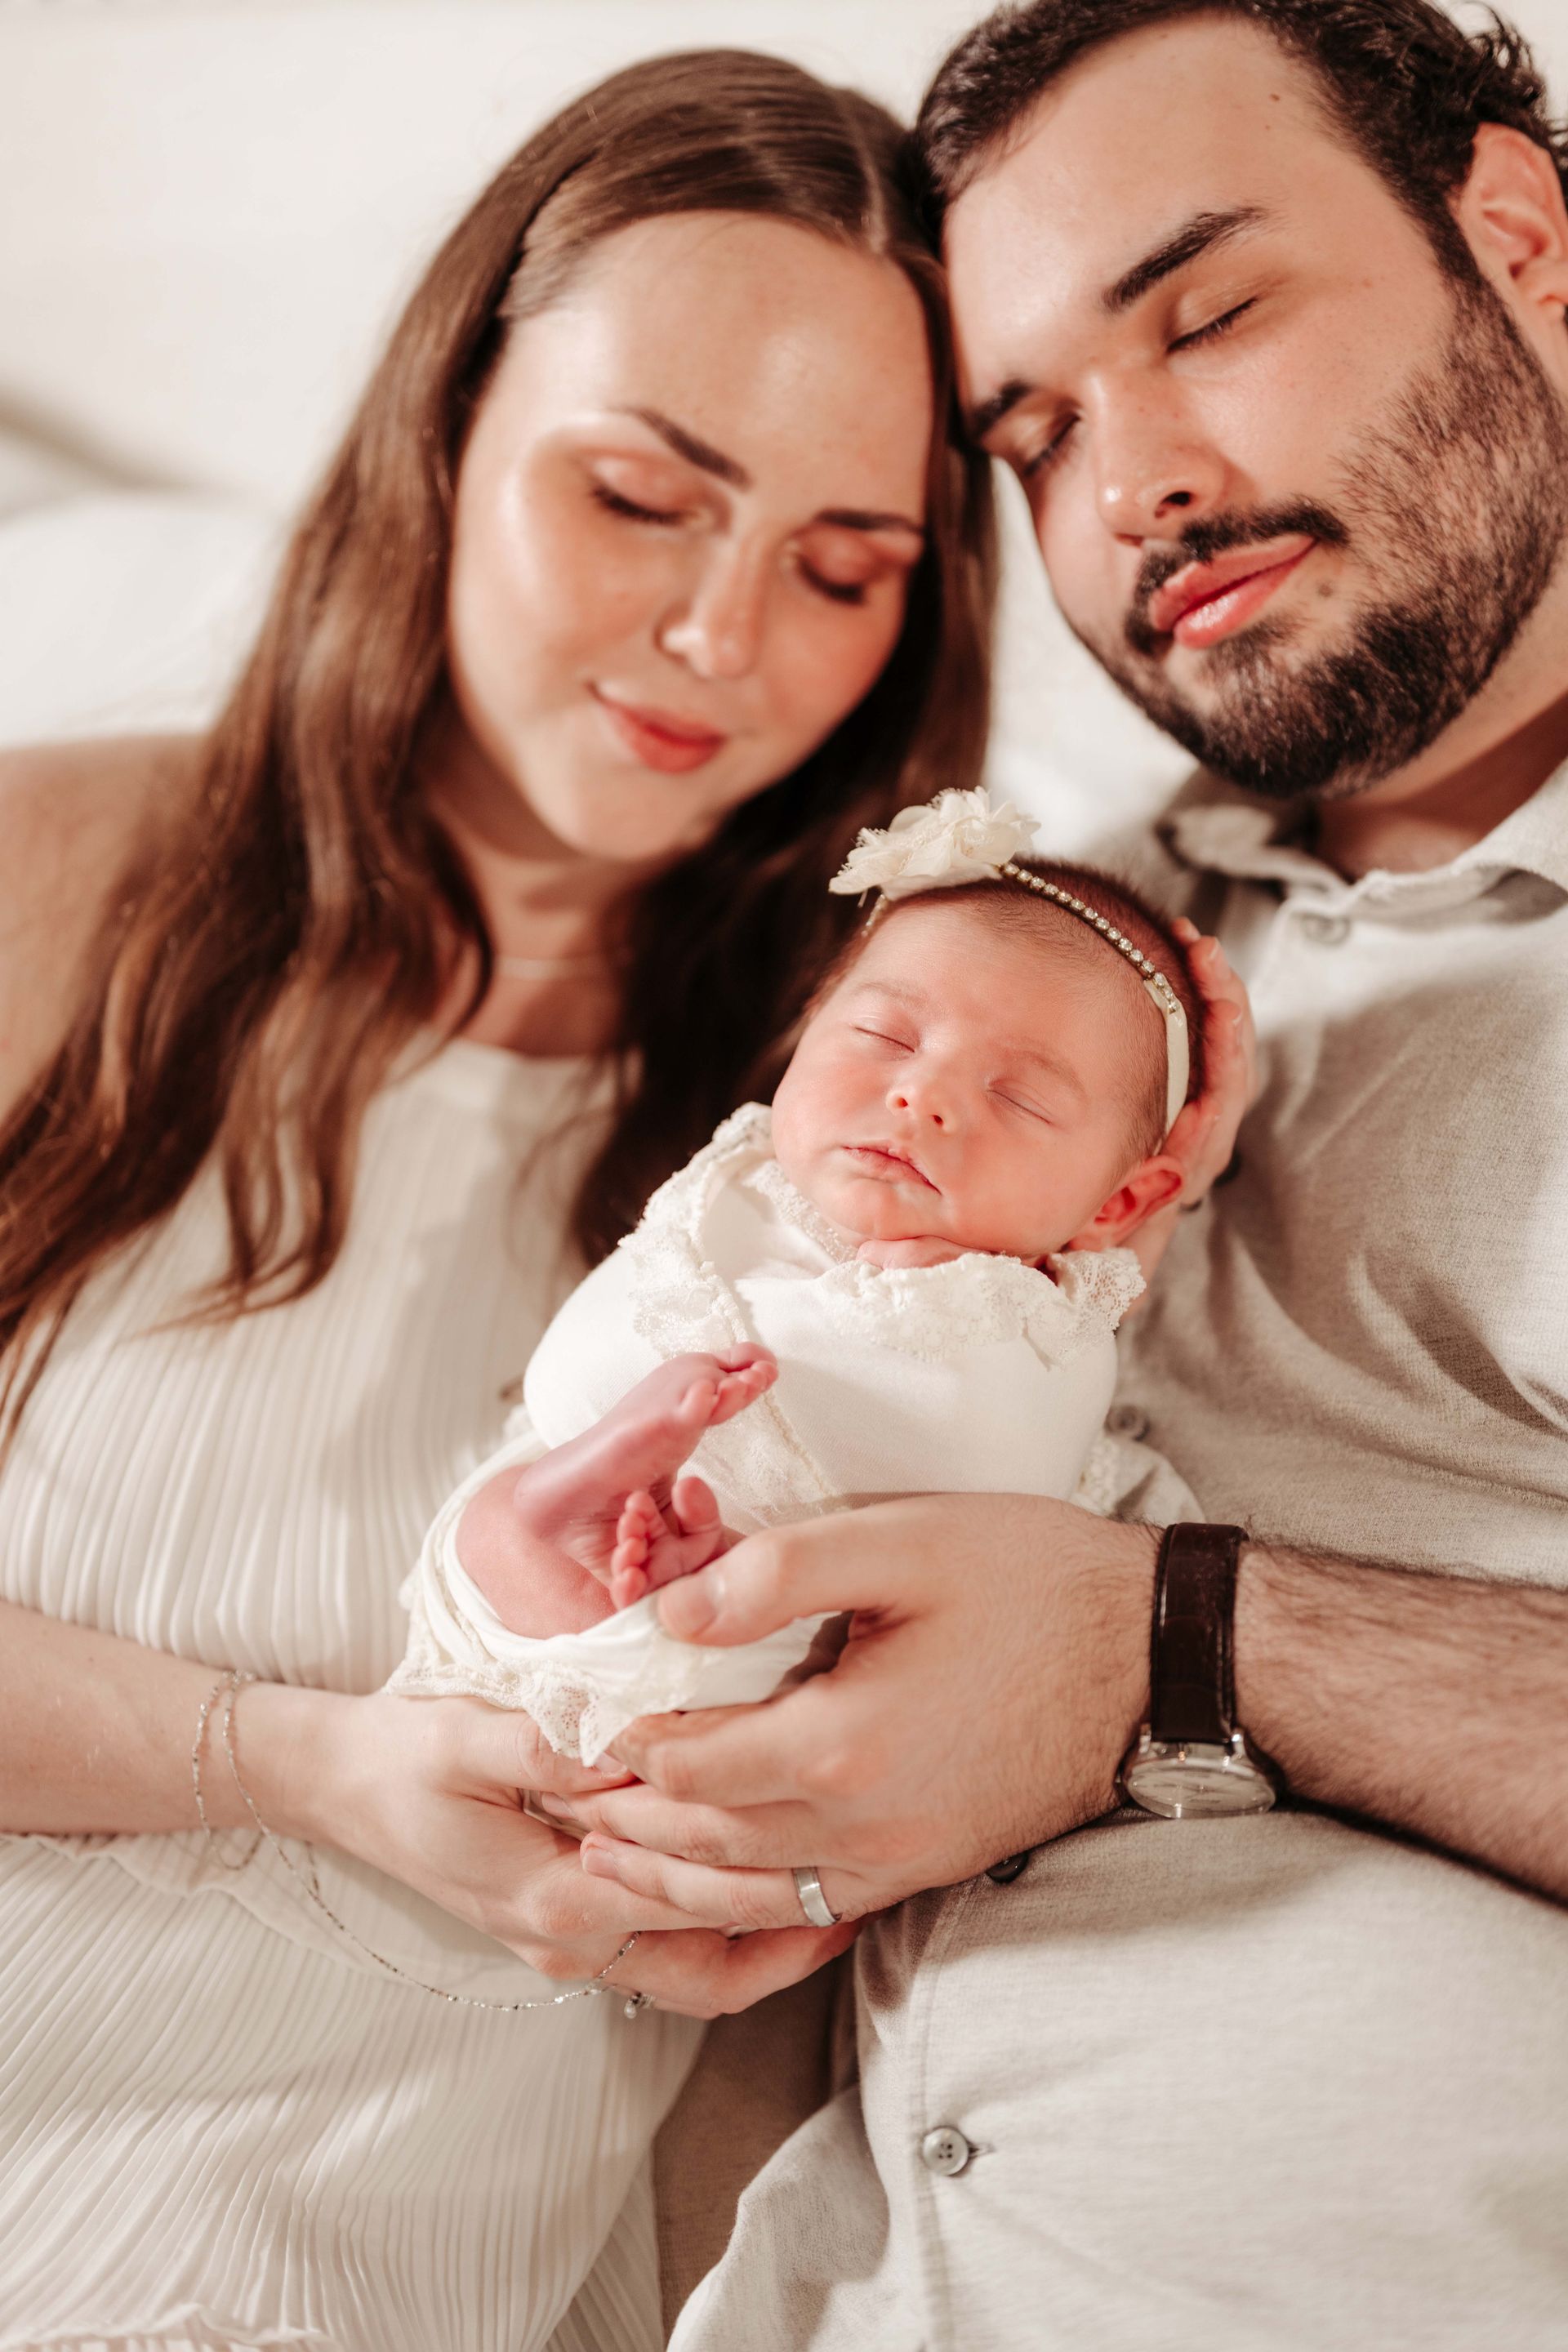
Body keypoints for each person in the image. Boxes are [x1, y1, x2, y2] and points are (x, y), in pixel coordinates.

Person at [532, 7, 1568, 2345]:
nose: (1130, 487)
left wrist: (1176, 1638)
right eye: (1034, 430)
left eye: (1207, 317)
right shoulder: (1031, 959)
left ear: (1517, 241)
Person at [0, 49, 1009, 2352]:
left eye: (845, 567)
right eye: (642, 495)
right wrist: (284, 1766)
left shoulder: (865, 1129)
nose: (719, 640)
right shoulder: (45, 883)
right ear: (444, 429)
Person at [390, 801, 1216, 1761]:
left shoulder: (1031, 1330)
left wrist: (921, 1314)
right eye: (884, 1037)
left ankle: (654, 1584)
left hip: (807, 1675)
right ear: (809, 1027)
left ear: (1117, 1207)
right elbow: (598, 1333)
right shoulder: (743, 1188)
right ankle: (578, 1510)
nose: (922, 1095)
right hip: (543, 1618)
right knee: (496, 1531)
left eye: (1019, 1097)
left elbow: (995, 1491)